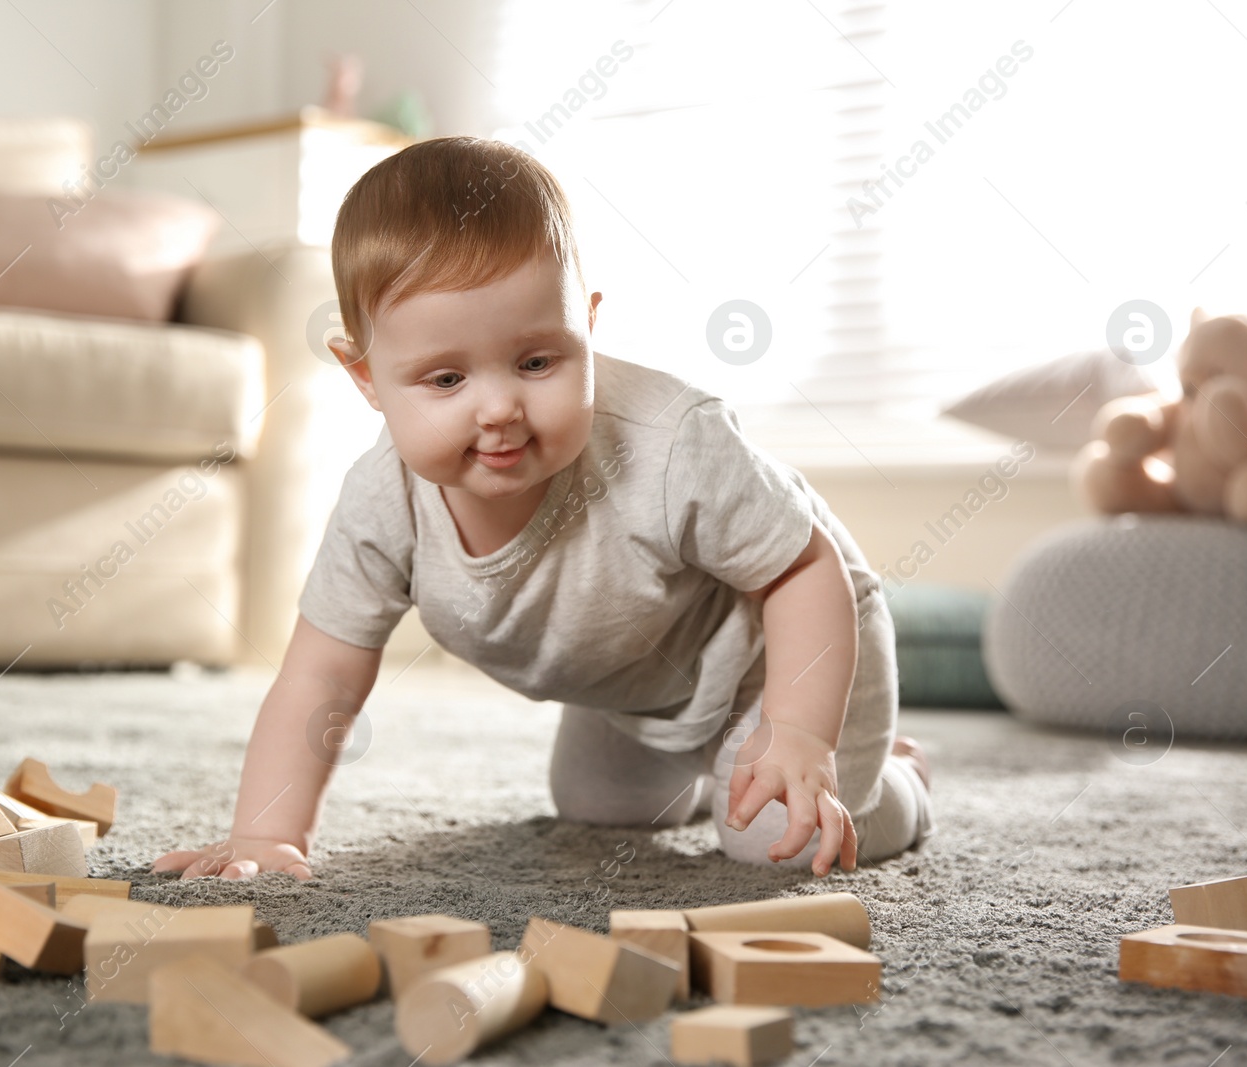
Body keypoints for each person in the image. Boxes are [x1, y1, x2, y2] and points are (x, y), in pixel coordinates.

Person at [153, 136, 933, 882]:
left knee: (776, 844)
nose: (499, 408)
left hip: (797, 649)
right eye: (445, 379)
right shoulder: (382, 502)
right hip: (637, 685)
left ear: (587, 328)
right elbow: (319, 674)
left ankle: (893, 782)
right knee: (597, 808)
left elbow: (802, 567)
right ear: (366, 379)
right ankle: (709, 767)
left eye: (536, 361)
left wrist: (800, 728)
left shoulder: (671, 444)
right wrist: (267, 832)